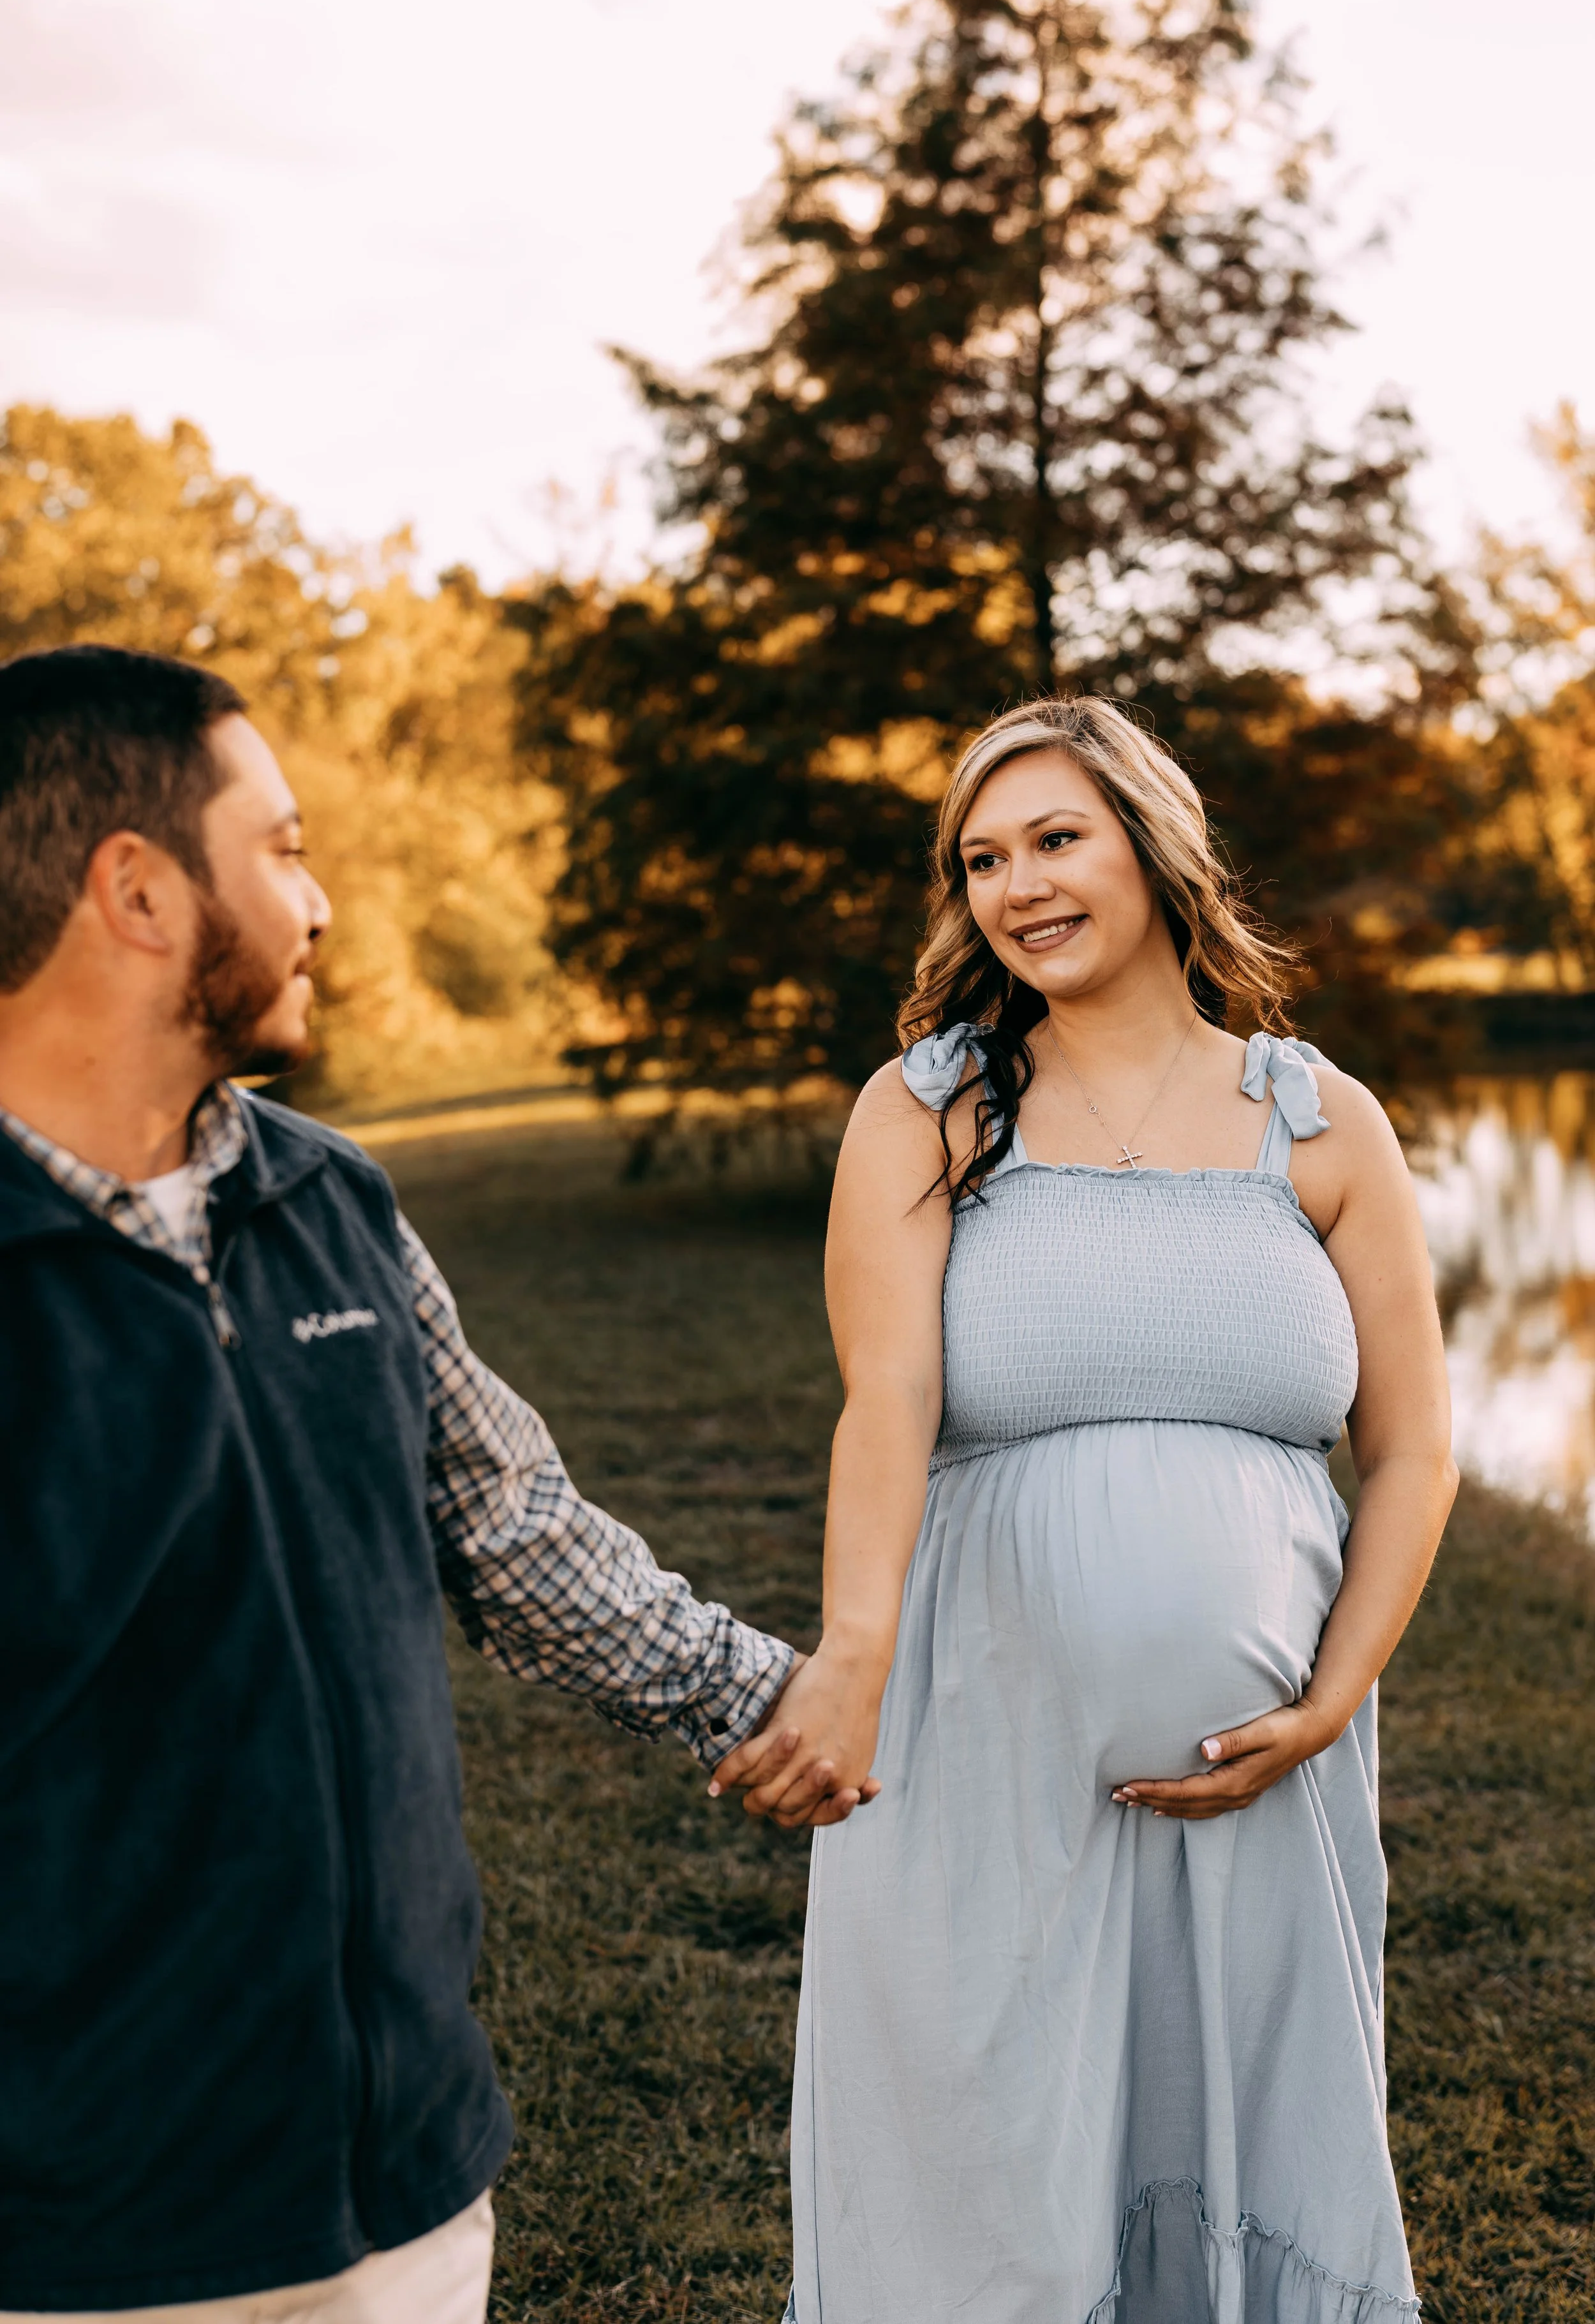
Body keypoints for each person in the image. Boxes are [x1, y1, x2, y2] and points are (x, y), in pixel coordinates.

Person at [0, 644, 848, 2324]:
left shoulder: (332, 1199)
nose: (318, 905)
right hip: (87, 2237)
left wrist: (787, 1704)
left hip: (406, 2187)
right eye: (286, 848)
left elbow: (512, 1526)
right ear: (142, 891)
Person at [715, 698, 1457, 2321]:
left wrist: (1329, 1698)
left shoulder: (1320, 1122)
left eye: (1054, 838)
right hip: (974, 1739)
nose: (1015, 885)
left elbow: (1410, 1450)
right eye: (979, 858)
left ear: (1153, 842)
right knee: (989, 2162)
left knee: (1237, 2148)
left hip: (1262, 1777)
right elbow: (888, 1402)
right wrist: (848, 1652)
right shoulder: (927, 1109)